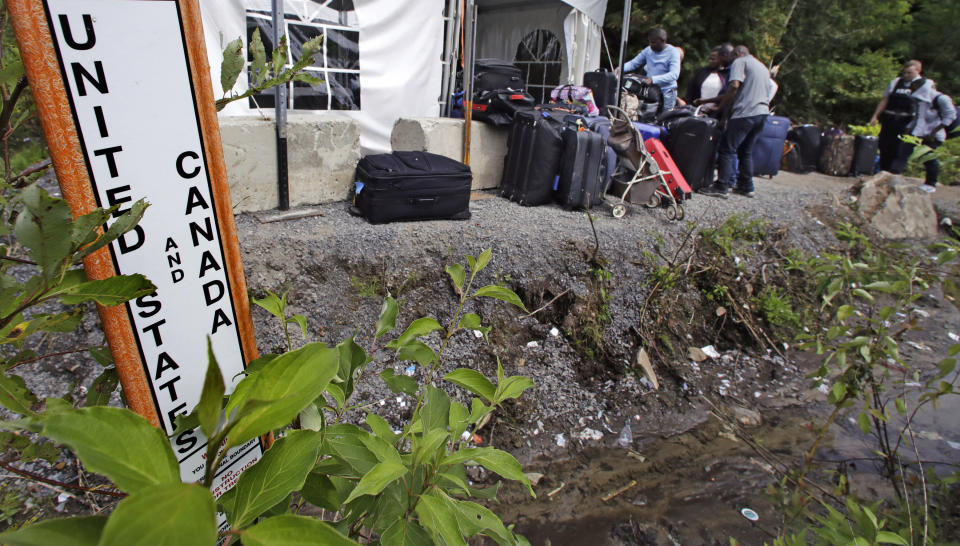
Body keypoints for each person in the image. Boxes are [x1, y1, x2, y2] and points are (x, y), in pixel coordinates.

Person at [695, 44, 772, 198]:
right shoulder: (761, 66)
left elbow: (734, 87)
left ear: (736, 53)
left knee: (726, 148)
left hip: (745, 113)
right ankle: (746, 186)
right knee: (746, 150)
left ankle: (721, 186)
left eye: (728, 56)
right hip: (762, 113)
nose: (727, 61)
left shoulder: (740, 62)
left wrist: (719, 108)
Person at [869, 60, 937, 175]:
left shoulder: (926, 84)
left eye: (909, 73)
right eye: (905, 73)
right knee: (884, 147)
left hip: (908, 122)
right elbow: (885, 99)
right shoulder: (896, 82)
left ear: (918, 70)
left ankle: (893, 174)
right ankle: (883, 172)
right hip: (889, 120)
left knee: (900, 149)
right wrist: (875, 116)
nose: (906, 75)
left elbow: (929, 105)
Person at [620, 28, 682, 111]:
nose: (651, 45)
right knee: (647, 115)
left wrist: (653, 79)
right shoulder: (648, 51)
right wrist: (620, 69)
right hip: (651, 91)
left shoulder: (673, 52)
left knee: (665, 117)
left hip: (667, 92)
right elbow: (634, 63)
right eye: (650, 42)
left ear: (662, 41)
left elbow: (674, 74)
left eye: (653, 42)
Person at [915, 91, 957, 191]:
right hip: (926, 133)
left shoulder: (940, 99)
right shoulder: (922, 101)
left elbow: (950, 116)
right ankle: (930, 182)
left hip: (936, 134)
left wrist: (934, 132)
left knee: (929, 156)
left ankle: (931, 184)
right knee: (926, 156)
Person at [685, 46, 726, 115]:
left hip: (717, 112)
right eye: (710, 59)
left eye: (713, 59)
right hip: (698, 111)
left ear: (721, 59)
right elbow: (691, 91)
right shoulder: (701, 73)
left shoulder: (726, 74)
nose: (710, 61)